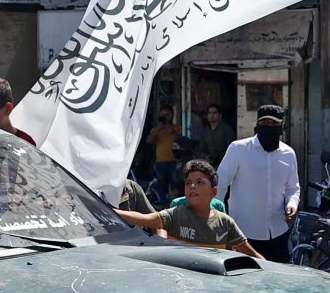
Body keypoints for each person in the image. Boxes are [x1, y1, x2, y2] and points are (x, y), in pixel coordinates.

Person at [116, 159, 260, 257]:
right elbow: (144, 219)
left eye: (199, 182)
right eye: (188, 183)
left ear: (213, 192)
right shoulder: (176, 214)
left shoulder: (225, 223)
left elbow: (251, 254)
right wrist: (111, 211)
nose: (192, 186)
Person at [215, 105, 301, 264]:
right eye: (265, 122)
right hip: (243, 234)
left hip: (278, 232)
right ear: (257, 124)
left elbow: (293, 188)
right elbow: (220, 184)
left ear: (281, 126)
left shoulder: (289, 154)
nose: (269, 127)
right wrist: (217, 219)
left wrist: (292, 204)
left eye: (274, 124)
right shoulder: (238, 149)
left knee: (277, 280)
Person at [146, 106, 184, 205]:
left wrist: (168, 126)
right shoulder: (156, 129)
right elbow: (149, 140)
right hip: (160, 162)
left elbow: (179, 138)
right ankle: (163, 205)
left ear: (172, 116)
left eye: (167, 115)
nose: (165, 117)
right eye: (162, 115)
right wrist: (159, 128)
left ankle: (176, 205)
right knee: (161, 185)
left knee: (175, 185)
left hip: (174, 161)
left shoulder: (176, 127)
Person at [193, 102, 232, 169]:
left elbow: (231, 148)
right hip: (209, 164)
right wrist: (206, 157)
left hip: (224, 163)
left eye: (214, 113)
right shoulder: (205, 131)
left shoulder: (226, 129)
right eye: (210, 113)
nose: (212, 115)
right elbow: (202, 148)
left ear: (220, 115)